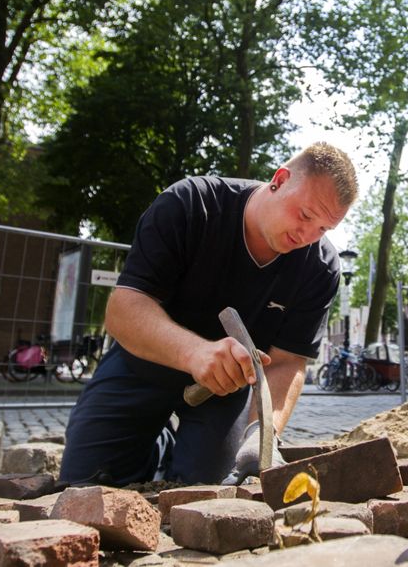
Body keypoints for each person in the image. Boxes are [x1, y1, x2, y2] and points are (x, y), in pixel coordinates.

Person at [59, 143, 357, 487]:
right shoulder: (189, 205)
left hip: (225, 388)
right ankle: (158, 447)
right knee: (84, 483)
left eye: (323, 229)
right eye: (305, 215)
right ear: (279, 180)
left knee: (204, 489)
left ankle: (184, 454)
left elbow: (289, 361)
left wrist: (262, 432)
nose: (306, 237)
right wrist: (196, 353)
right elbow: (124, 308)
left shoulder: (319, 267)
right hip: (142, 362)